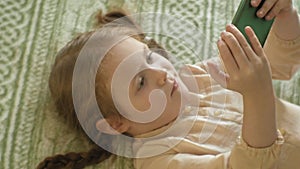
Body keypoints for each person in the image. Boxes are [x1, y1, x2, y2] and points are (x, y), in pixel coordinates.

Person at [37, 0, 300, 168]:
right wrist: (258, 94)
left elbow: (279, 64)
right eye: (141, 82)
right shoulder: (159, 160)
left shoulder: (200, 77)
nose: (161, 72)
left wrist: (284, 16)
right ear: (116, 122)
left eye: (150, 56)